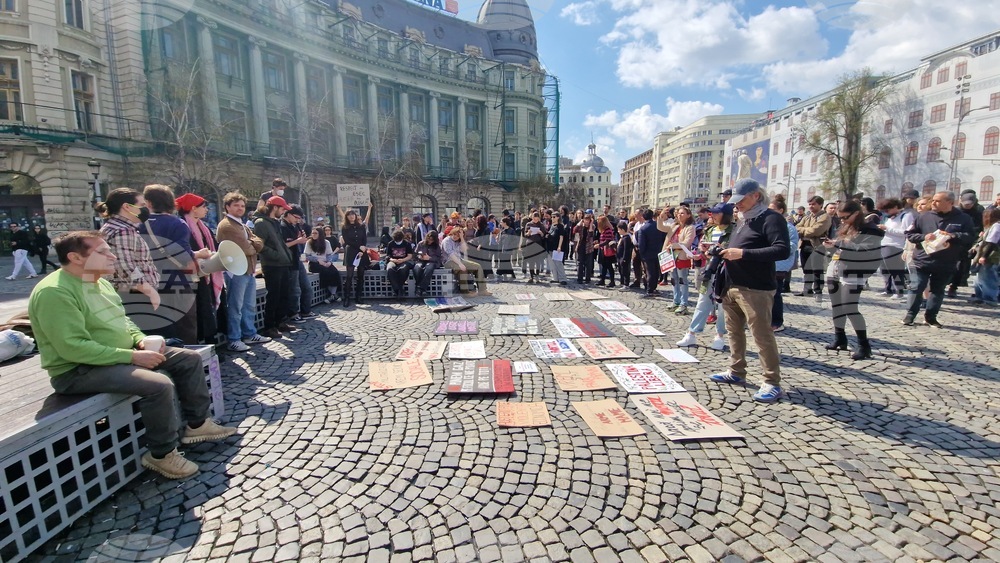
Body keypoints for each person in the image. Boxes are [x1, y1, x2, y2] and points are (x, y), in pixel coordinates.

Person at [28, 231, 238, 479]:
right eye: (103, 252)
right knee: (159, 384)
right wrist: (132, 357)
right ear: (75, 257)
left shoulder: (99, 281)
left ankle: (197, 424)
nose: (112, 255)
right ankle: (162, 453)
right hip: (77, 371)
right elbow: (72, 347)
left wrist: (140, 340)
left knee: (188, 359)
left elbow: (122, 321)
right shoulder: (55, 292)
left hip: (117, 355)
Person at [707, 178, 790, 403]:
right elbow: (742, 246)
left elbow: (781, 250)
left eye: (741, 200)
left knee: (761, 335)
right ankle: (736, 371)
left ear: (756, 195)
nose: (737, 205)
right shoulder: (743, 219)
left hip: (756, 288)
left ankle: (771, 381)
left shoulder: (771, 218)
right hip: (732, 284)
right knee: (734, 332)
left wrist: (743, 254)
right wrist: (723, 250)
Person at [140, 185, 212, 344]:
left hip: (149, 282)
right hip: (177, 281)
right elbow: (183, 256)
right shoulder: (177, 223)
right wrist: (198, 254)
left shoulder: (139, 224)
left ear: (149, 203)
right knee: (185, 326)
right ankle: (188, 360)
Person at [902, 191, 976, 327]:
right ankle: (910, 314)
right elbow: (910, 234)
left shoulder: (963, 218)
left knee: (938, 290)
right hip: (922, 260)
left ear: (949, 203)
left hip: (946, 261)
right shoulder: (924, 216)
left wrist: (953, 236)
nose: (933, 203)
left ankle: (931, 317)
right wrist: (924, 237)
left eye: (937, 201)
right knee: (917, 286)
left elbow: (970, 237)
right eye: (933, 200)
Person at [821, 201, 884, 359]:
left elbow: (865, 249)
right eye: (839, 218)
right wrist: (832, 245)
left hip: (855, 271)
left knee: (850, 308)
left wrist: (839, 243)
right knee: (836, 306)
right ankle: (840, 338)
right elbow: (841, 245)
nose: (842, 220)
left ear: (856, 213)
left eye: (845, 217)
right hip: (836, 266)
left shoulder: (871, 229)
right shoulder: (845, 227)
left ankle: (864, 345)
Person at [215, 192, 271, 352]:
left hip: (248, 269)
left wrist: (251, 244)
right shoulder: (227, 225)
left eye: (242, 206)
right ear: (227, 207)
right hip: (236, 271)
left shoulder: (242, 225)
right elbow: (246, 248)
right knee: (236, 306)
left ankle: (249, 333)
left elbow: (259, 243)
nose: (240, 208)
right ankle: (234, 338)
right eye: (236, 205)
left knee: (248, 305)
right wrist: (252, 245)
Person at [98, 188, 161, 326]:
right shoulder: (122, 231)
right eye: (142, 205)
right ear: (127, 207)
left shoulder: (114, 227)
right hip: (134, 296)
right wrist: (149, 291)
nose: (146, 209)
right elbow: (125, 267)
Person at [676, 202, 733, 351]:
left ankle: (720, 336)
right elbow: (702, 249)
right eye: (711, 212)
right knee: (702, 301)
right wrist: (701, 252)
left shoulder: (734, 230)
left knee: (722, 305)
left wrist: (720, 250)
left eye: (716, 213)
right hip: (709, 269)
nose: (712, 215)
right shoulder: (710, 229)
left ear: (725, 215)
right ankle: (691, 333)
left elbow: (734, 250)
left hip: (725, 271)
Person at [176, 193, 225, 345]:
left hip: (206, 274)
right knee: (199, 311)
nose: (207, 210)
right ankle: (202, 342)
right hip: (193, 276)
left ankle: (211, 341)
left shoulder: (203, 227)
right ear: (193, 209)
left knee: (207, 309)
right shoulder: (183, 226)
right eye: (203, 207)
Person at [253, 196, 296, 337]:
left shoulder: (274, 222)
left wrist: (285, 254)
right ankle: (269, 326)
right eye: (282, 208)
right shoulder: (261, 223)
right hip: (272, 265)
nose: (284, 211)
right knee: (273, 296)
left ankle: (280, 322)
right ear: (275, 207)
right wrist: (277, 255)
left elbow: (279, 243)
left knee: (284, 294)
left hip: (282, 263)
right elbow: (260, 245)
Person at [280, 206, 314, 322]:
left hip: (296, 258)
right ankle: (293, 314)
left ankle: (306, 311)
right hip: (289, 261)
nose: (298, 220)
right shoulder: (282, 226)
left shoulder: (294, 226)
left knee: (306, 287)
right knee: (294, 289)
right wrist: (298, 241)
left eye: (299, 218)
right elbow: (283, 245)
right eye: (296, 217)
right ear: (288, 214)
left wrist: (300, 237)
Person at [948, 190, 985, 297]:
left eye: (970, 204)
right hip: (954, 241)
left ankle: (954, 286)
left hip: (969, 242)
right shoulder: (955, 212)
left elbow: (981, 227)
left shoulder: (978, 213)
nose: (968, 206)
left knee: (962, 266)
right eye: (966, 204)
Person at [659, 206, 696, 313]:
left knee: (682, 280)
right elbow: (661, 227)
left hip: (681, 256)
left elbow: (686, 243)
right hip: (671, 256)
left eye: (682, 213)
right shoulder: (674, 226)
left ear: (688, 215)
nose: (680, 215)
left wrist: (673, 245)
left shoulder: (690, 228)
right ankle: (676, 301)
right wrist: (661, 216)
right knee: (674, 280)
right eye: (679, 213)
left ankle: (684, 304)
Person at [770, 197, 798, 332]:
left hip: (779, 265)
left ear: (781, 210)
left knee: (775, 294)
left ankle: (777, 321)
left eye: (772, 210)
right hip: (765, 264)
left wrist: (774, 248)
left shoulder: (789, 228)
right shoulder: (768, 224)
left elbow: (791, 246)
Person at [337, 203, 372, 307]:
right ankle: (347, 298)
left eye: (353, 214)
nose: (352, 216)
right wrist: (359, 247)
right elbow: (347, 241)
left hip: (362, 252)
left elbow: (364, 239)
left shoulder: (361, 226)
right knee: (349, 275)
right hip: (351, 252)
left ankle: (358, 297)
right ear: (347, 217)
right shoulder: (345, 227)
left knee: (361, 275)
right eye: (349, 215)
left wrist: (363, 249)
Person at [876, 198, 913, 298]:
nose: (885, 212)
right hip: (884, 244)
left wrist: (887, 229)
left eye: (887, 210)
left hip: (896, 246)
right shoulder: (889, 218)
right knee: (884, 269)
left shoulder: (906, 216)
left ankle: (898, 290)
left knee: (895, 270)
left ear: (896, 207)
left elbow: (906, 232)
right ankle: (888, 289)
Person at [794, 196, 830, 296]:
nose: (811, 206)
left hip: (817, 245)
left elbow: (816, 230)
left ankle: (818, 290)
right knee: (806, 269)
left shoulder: (825, 217)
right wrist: (807, 230)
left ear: (820, 205)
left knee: (817, 269)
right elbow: (796, 227)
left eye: (813, 204)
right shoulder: (807, 217)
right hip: (804, 244)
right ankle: (807, 290)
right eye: (809, 204)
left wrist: (804, 230)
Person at [442, 226, 492, 296]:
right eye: (454, 234)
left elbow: (464, 249)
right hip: (448, 262)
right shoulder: (447, 241)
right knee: (462, 269)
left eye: (458, 235)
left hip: (459, 259)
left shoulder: (458, 240)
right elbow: (451, 254)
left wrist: (462, 238)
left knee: (478, 266)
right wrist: (460, 264)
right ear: (452, 233)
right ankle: (465, 292)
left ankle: (482, 290)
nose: (455, 237)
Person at [970, 208, 1000, 306]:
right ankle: (979, 296)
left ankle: (990, 298)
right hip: (987, 254)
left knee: (989, 277)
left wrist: (984, 256)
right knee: (980, 277)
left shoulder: (996, 226)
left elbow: (991, 242)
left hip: (991, 256)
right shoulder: (991, 226)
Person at [635, 209, 667, 298]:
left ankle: (649, 290)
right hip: (658, 251)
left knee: (649, 272)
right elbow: (664, 238)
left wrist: (641, 254)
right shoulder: (659, 226)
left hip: (647, 254)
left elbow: (641, 244)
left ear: (643, 217)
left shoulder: (643, 229)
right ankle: (654, 288)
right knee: (656, 272)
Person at [385, 229, 415, 299]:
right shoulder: (390, 244)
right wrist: (393, 260)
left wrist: (402, 260)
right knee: (390, 269)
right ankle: (397, 289)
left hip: (404, 260)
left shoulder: (407, 244)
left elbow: (410, 255)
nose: (397, 242)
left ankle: (399, 288)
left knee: (403, 269)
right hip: (393, 260)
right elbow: (388, 256)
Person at [413, 230, 444, 297]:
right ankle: (421, 288)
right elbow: (415, 255)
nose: (430, 241)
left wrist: (430, 258)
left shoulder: (437, 246)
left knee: (429, 268)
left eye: (432, 240)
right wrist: (419, 256)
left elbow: (439, 258)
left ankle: (420, 288)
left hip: (432, 262)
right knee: (417, 268)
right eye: (429, 239)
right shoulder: (421, 244)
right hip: (421, 261)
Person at [574, 214, 597, 285]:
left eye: (588, 220)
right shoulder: (581, 226)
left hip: (589, 247)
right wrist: (579, 223)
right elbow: (574, 230)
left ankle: (587, 278)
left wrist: (591, 224)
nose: (586, 221)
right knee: (580, 263)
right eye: (585, 219)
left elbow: (590, 234)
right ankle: (579, 278)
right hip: (581, 246)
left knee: (588, 263)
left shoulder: (592, 226)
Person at [547, 214, 569, 285]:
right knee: (552, 264)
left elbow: (561, 237)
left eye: (554, 217)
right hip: (550, 247)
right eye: (552, 217)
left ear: (558, 218)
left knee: (558, 263)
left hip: (557, 247)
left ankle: (562, 278)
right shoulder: (552, 226)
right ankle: (555, 278)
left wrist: (559, 246)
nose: (552, 218)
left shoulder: (560, 226)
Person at [595, 215, 617, 288]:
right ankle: (602, 280)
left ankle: (612, 281)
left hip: (607, 250)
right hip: (603, 250)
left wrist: (599, 245)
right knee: (604, 266)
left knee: (609, 266)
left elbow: (608, 240)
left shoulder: (608, 229)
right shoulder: (604, 230)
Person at [615, 220, 634, 289]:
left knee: (625, 271)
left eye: (619, 229)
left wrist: (625, 258)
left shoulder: (626, 238)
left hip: (624, 258)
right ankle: (622, 282)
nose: (618, 231)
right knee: (621, 271)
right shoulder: (622, 237)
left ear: (622, 229)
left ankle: (626, 284)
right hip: (620, 257)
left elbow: (626, 249)